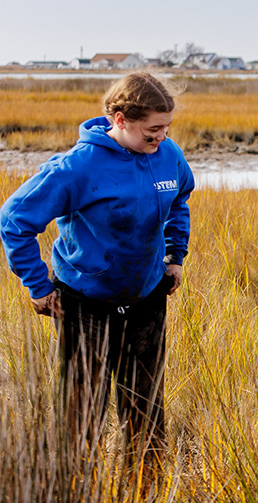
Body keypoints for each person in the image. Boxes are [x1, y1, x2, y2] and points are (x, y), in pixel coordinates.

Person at [0, 71, 192, 473]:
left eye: (166, 129)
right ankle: (75, 494)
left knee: (146, 404)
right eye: (151, 131)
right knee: (82, 407)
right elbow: (15, 220)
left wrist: (175, 257)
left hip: (147, 296)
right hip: (83, 303)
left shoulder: (168, 153)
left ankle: (146, 494)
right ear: (120, 120)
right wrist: (37, 286)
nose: (160, 139)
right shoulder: (76, 167)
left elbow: (179, 199)